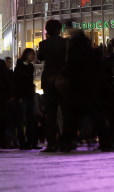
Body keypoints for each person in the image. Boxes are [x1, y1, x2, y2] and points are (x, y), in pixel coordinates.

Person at [36, 19, 67, 152]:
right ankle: (66, 141)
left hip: (49, 81)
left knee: (51, 114)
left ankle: (52, 143)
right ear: (60, 30)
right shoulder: (66, 43)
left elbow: (40, 57)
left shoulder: (44, 44)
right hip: (64, 81)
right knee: (66, 112)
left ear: (47, 31)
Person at [14, 48, 39, 150]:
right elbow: (17, 83)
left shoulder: (31, 67)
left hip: (29, 95)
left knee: (31, 120)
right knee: (22, 120)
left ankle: (30, 142)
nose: (33, 57)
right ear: (26, 55)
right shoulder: (19, 67)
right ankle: (23, 142)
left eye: (33, 55)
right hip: (23, 96)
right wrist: (19, 96)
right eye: (31, 55)